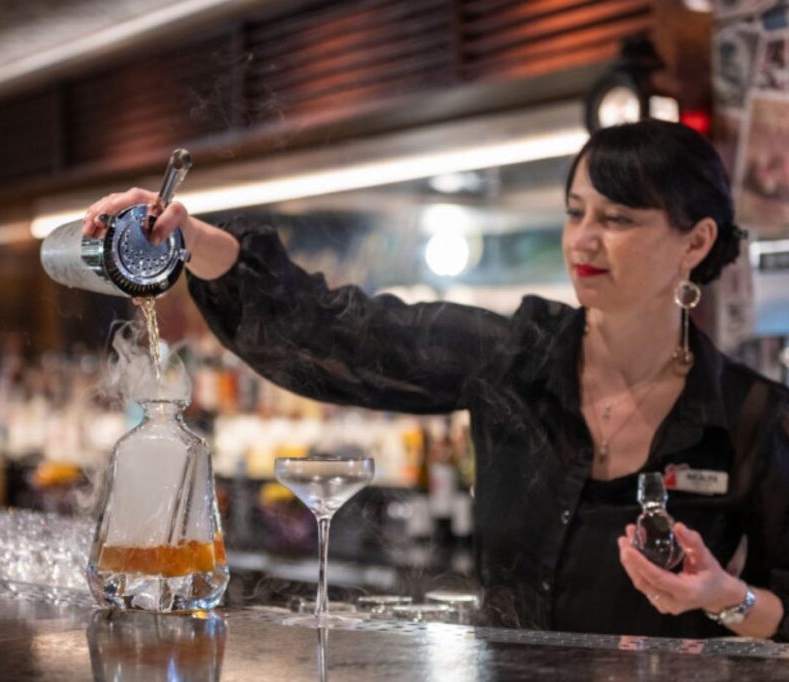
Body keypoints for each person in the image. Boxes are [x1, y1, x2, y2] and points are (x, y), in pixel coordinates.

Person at [82, 120, 789, 641]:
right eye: (576, 212)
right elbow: (334, 332)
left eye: (618, 218)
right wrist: (195, 241)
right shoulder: (515, 357)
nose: (583, 239)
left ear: (694, 241)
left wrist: (726, 597)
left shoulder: (755, 417)